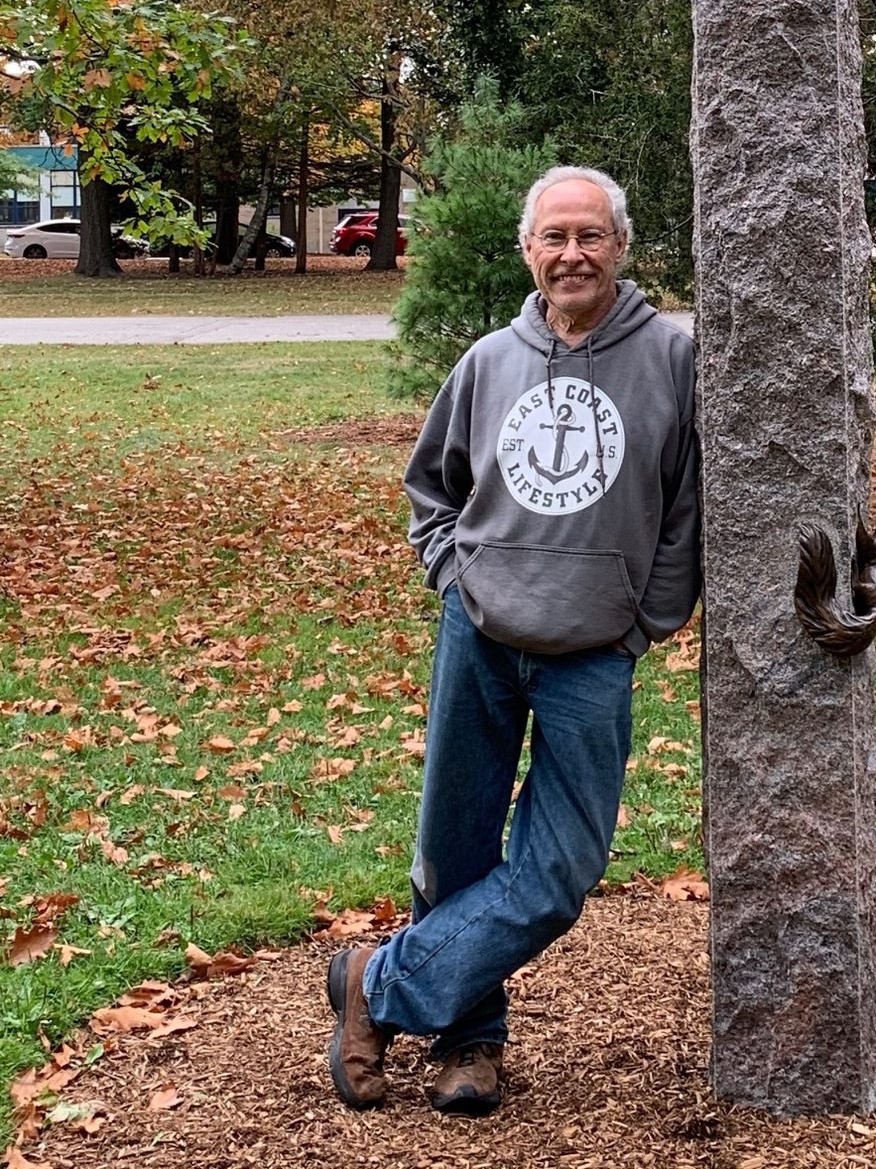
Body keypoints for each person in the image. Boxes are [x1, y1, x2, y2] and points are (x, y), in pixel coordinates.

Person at [325, 165, 700, 1118]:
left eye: (590, 236)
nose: (572, 254)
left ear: (620, 245)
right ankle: (467, 1043)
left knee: (560, 869)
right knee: (454, 848)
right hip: (481, 634)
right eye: (554, 237)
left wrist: (641, 622)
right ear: (528, 250)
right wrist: (459, 577)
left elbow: (692, 510)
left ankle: (377, 983)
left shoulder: (674, 357)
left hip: (594, 650)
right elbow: (431, 489)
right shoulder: (489, 360)